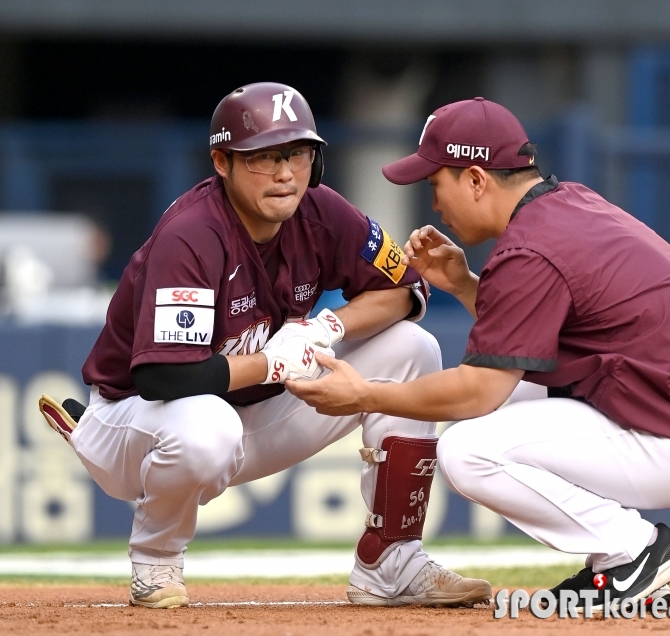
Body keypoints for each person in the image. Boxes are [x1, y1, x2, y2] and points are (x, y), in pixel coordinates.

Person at [38, 82, 492, 610]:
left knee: (414, 348)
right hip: (139, 421)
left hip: (248, 417)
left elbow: (408, 286)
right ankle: (156, 559)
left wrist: (328, 328)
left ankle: (392, 561)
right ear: (222, 161)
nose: (284, 173)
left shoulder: (319, 211)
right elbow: (165, 377)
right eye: (264, 157)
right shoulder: (192, 233)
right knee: (208, 427)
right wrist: (272, 360)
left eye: (297, 153)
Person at [287, 96, 670, 611]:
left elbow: (479, 391)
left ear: (477, 179)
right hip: (667, 411)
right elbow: (529, 334)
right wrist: (463, 285)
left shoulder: (529, 248)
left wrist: (365, 394)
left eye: (437, 183)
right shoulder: (566, 207)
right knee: (511, 394)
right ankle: (620, 555)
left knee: (468, 450)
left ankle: (631, 551)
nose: (435, 202)